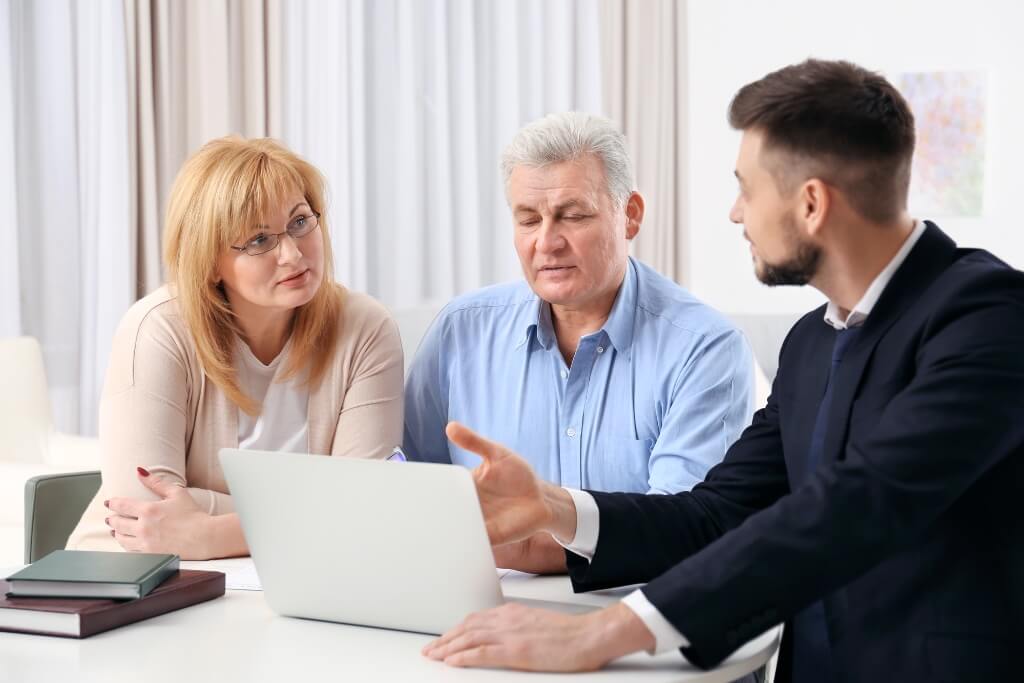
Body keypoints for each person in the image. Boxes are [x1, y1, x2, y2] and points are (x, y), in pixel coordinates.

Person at [422, 60, 1024, 681]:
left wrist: (603, 633)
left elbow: (858, 503)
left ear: (811, 203)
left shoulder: (990, 317)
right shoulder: (811, 343)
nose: (736, 213)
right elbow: (713, 514)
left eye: (747, 188)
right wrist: (553, 505)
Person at [404, 112, 753, 571]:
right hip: (478, 605)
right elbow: (412, 491)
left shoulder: (704, 349)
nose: (546, 243)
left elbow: (684, 534)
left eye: (573, 215)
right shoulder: (460, 331)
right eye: (528, 219)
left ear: (629, 215)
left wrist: (526, 548)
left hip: (631, 616)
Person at [66, 137, 404, 560]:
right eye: (259, 240)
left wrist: (211, 532)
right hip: (137, 582)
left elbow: (370, 508)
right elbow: (146, 517)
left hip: (297, 582)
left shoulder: (365, 327)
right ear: (208, 261)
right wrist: (320, 512)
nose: (293, 254)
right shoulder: (158, 328)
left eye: (300, 221)